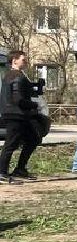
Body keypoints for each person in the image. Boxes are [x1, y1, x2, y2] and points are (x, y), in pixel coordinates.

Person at [0, 51, 42, 183]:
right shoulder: (16, 76)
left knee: (33, 139)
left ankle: (20, 169)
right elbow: (19, 100)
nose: (25, 62)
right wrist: (34, 105)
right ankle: (2, 173)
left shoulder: (13, 75)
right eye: (23, 60)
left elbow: (23, 92)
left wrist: (36, 88)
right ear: (14, 61)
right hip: (15, 114)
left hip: (18, 114)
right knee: (10, 144)